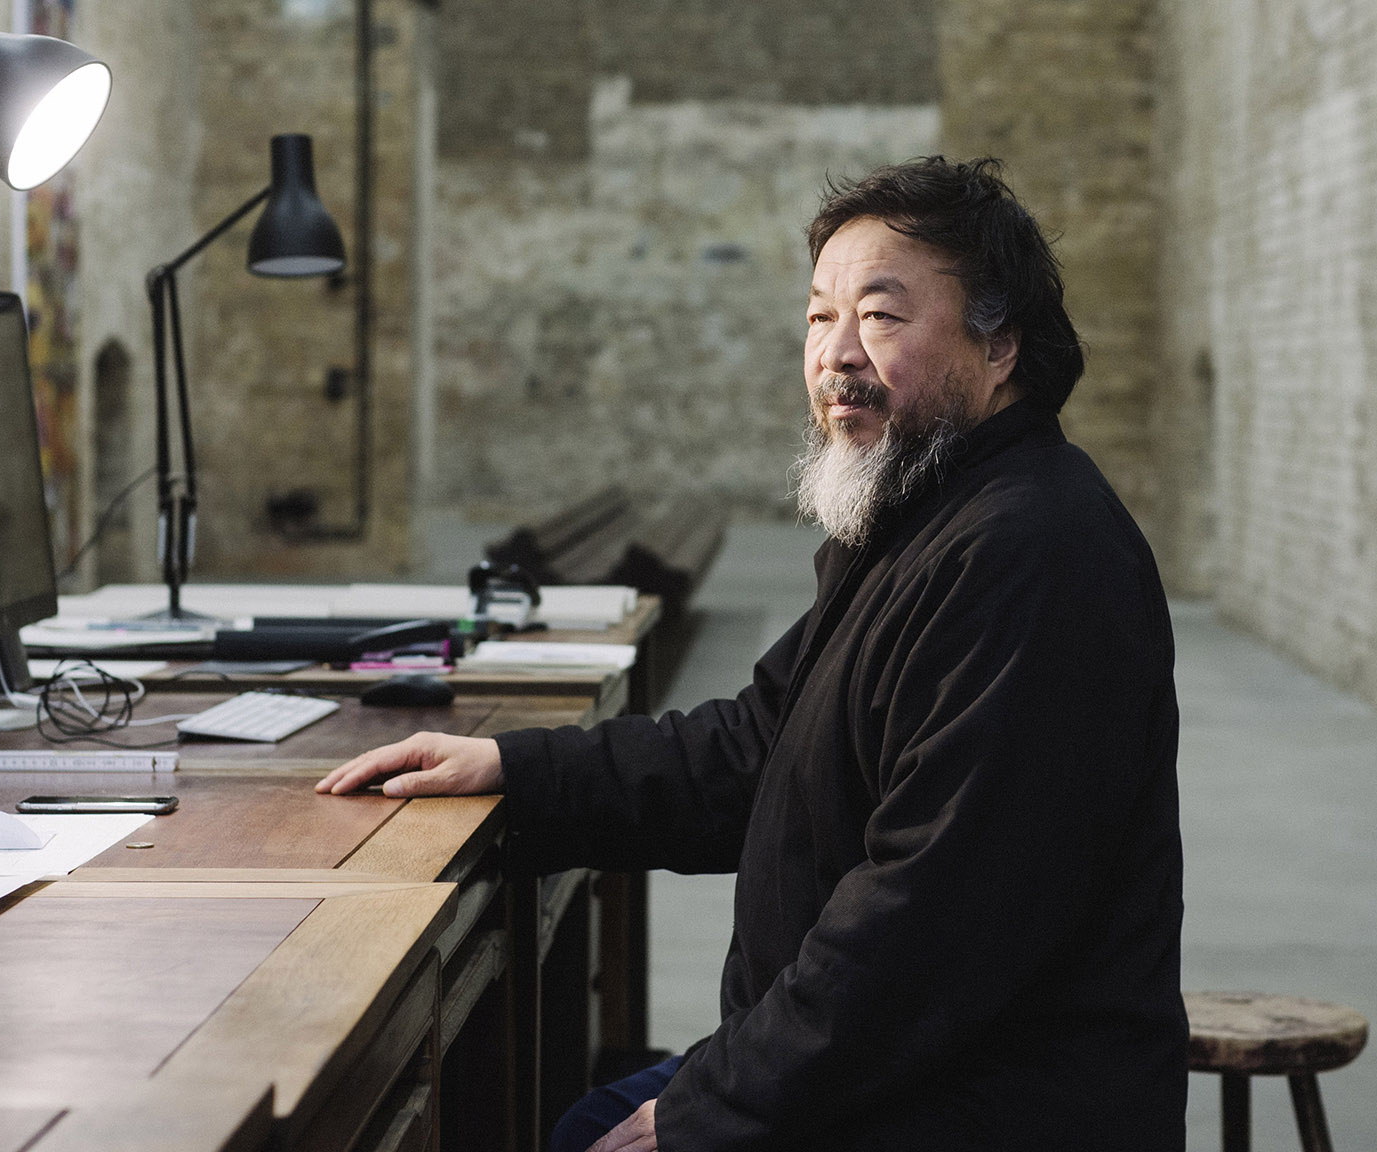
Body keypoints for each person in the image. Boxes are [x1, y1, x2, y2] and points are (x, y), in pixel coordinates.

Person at [317, 156, 1186, 1151]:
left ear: (1000, 347)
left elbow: (929, 928)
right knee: (573, 1121)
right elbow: (755, 747)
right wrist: (516, 770)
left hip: (977, 1104)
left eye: (881, 316)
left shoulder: (1030, 553)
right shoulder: (918, 520)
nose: (836, 355)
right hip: (888, 1076)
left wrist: (709, 1110)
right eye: (819, 317)